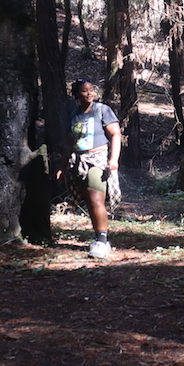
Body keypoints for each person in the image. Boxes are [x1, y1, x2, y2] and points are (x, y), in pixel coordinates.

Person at [68, 78, 121, 259]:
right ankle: (98, 237)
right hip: (79, 160)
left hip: (98, 159)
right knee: (89, 201)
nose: (90, 93)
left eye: (91, 89)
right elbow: (69, 141)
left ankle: (102, 242)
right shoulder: (74, 114)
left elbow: (115, 134)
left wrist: (113, 159)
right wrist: (62, 165)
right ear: (76, 94)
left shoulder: (102, 110)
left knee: (97, 199)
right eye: (84, 90)